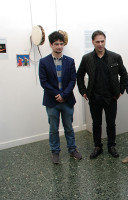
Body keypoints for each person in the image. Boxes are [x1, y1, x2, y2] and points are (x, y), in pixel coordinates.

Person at [77, 30, 127, 159]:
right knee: (96, 123)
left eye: (102, 41)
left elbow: (124, 74)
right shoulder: (87, 58)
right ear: (93, 42)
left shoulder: (115, 57)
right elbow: (79, 75)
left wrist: (121, 91)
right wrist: (83, 91)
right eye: (97, 41)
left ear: (105, 41)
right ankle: (97, 146)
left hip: (111, 97)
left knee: (111, 123)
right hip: (94, 97)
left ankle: (111, 145)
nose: (100, 44)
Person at [39, 31, 82, 164]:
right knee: (53, 128)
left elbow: (72, 80)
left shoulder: (70, 61)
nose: (59, 46)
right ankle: (55, 152)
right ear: (51, 45)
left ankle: (72, 149)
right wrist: (56, 95)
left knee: (69, 127)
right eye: (56, 44)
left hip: (67, 100)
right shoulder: (44, 62)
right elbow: (44, 82)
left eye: (61, 44)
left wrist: (63, 95)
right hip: (52, 101)